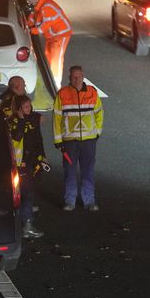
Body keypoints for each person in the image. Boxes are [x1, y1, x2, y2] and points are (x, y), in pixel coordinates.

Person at [53, 65, 103, 211]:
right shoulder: (62, 94)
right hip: (69, 142)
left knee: (88, 172)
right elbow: (57, 118)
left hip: (88, 141)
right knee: (70, 172)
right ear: (69, 78)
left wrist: (97, 132)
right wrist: (58, 140)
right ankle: (70, 201)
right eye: (73, 77)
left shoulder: (92, 93)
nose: (76, 79)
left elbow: (99, 113)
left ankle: (89, 201)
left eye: (78, 76)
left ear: (83, 76)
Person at [9, 95, 48, 238]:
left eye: (29, 106)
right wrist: (20, 119)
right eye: (25, 107)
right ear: (19, 108)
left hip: (33, 162)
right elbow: (17, 137)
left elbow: (38, 138)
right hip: (21, 165)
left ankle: (25, 223)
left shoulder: (33, 118)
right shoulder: (13, 121)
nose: (29, 109)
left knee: (29, 192)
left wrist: (42, 156)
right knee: (26, 194)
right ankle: (26, 225)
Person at [25, 0, 73, 88]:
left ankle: (56, 83)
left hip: (61, 34)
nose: (31, 5)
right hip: (52, 35)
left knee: (56, 58)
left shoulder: (47, 7)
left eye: (31, 2)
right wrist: (26, 25)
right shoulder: (38, 6)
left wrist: (30, 30)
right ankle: (49, 78)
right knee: (48, 56)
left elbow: (43, 28)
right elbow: (32, 18)